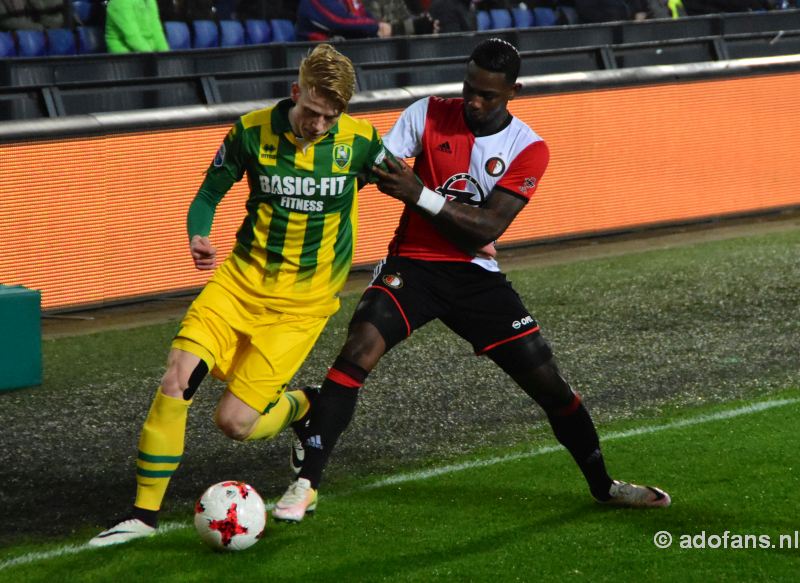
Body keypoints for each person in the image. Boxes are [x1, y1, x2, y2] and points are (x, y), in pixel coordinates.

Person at [272, 37, 672, 522]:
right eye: (469, 90)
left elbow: (487, 228)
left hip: (475, 278)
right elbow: (373, 168)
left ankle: (603, 485)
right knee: (359, 347)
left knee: (548, 383)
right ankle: (306, 483)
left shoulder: (528, 148)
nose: (474, 103)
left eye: (488, 95)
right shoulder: (427, 114)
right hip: (413, 265)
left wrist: (421, 194)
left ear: (513, 92)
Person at [89, 43, 389, 547]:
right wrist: (197, 235)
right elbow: (208, 193)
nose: (318, 125)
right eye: (312, 112)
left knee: (234, 423)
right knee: (176, 380)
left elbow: (407, 185)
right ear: (296, 92)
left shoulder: (360, 143)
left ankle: (302, 407)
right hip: (237, 284)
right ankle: (142, 515)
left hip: (302, 307)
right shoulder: (251, 131)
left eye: (330, 117)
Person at [295, 0, 392, 41]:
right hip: (316, 62)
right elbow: (339, 20)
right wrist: (376, 27)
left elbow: (362, 16)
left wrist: (378, 27)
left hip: (345, 56)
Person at [105, 0, 170, 53]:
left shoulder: (150, 1)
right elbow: (132, 37)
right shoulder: (119, 2)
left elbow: (157, 31)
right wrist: (153, 58)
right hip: (123, 56)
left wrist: (166, 57)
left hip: (148, 51)